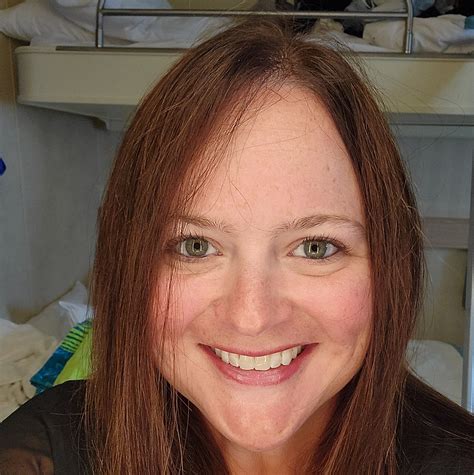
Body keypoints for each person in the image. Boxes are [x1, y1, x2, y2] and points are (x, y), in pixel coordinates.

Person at [1, 19, 473, 475]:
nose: (252, 317)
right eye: (195, 246)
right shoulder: (49, 446)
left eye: (314, 247)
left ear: (392, 264)